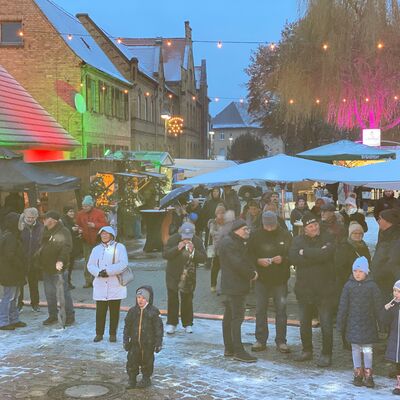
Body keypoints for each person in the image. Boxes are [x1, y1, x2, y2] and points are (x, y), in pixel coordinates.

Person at [289, 212, 336, 367]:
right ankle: (306, 350)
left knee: (326, 323)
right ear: (305, 229)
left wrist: (305, 253)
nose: (315, 228)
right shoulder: (297, 240)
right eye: (311, 226)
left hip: (325, 290)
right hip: (304, 289)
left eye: (316, 224)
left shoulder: (327, 237)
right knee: (304, 323)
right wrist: (316, 256)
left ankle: (326, 354)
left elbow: (326, 255)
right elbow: (294, 258)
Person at [248, 211, 292, 353]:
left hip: (280, 279)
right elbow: (248, 254)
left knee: (281, 310)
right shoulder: (255, 235)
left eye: (272, 225)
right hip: (261, 279)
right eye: (267, 226)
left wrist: (283, 259)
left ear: (276, 223)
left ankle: (281, 341)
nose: (269, 228)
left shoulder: (285, 234)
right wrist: (257, 261)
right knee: (260, 310)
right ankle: (260, 340)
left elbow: (292, 254)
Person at [336, 257, 382, 388]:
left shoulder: (372, 286)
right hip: (353, 323)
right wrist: (340, 323)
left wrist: (382, 322)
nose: (357, 273)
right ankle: (358, 373)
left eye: (360, 271)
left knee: (367, 350)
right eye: (355, 270)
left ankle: (368, 374)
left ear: (366, 272)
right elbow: (343, 306)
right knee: (355, 349)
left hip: (368, 323)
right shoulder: (348, 286)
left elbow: (378, 306)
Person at [219, 219, 258, 363]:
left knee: (229, 317)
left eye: (248, 229)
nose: (247, 232)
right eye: (245, 229)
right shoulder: (230, 243)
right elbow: (238, 263)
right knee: (236, 318)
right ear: (236, 230)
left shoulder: (233, 241)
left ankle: (229, 347)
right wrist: (252, 274)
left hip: (232, 285)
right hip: (235, 286)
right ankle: (238, 350)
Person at [162, 222, 206, 334]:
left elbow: (203, 258)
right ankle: (172, 323)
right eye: (184, 236)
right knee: (172, 298)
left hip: (189, 275)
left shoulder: (197, 240)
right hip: (173, 273)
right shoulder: (173, 239)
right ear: (180, 232)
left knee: (187, 298)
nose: (187, 239)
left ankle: (187, 323)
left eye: (189, 236)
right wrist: (177, 248)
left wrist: (193, 251)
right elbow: (165, 254)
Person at [87, 226, 128, 343]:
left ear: (112, 235)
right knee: (100, 311)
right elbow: (90, 265)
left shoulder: (120, 247)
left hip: (115, 283)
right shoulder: (96, 249)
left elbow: (123, 263)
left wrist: (108, 271)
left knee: (114, 311)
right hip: (100, 283)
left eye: (106, 234)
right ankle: (99, 333)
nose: (104, 236)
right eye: (102, 234)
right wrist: (99, 272)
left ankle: (112, 334)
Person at [37, 210, 75, 326]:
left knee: (63, 293)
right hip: (46, 267)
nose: (44, 220)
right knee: (49, 293)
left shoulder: (64, 231)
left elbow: (66, 247)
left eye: (46, 218)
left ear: (53, 220)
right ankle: (52, 315)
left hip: (59, 268)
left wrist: (61, 261)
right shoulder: (44, 230)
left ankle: (69, 316)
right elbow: (41, 246)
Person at [123, 286, 163, 389]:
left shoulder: (153, 312)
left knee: (147, 362)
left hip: (148, 344)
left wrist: (158, 342)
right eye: (138, 297)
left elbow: (158, 329)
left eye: (143, 298)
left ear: (148, 299)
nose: (140, 300)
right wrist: (126, 340)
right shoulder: (132, 311)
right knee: (132, 361)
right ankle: (132, 379)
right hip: (134, 344)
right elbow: (127, 327)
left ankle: (146, 378)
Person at [0, 212, 26, 330]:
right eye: (19, 221)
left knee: (14, 296)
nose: (22, 224)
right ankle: (3, 321)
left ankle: (14, 319)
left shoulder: (12, 235)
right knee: (9, 297)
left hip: (13, 272)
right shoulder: (9, 236)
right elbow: (10, 255)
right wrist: (21, 264)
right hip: (10, 273)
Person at [76, 195, 108, 288]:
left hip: (97, 240)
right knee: (87, 260)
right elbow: (78, 224)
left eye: (86, 206)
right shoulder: (80, 214)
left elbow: (105, 224)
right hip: (86, 240)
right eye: (83, 206)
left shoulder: (99, 213)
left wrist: (94, 225)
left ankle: (96, 279)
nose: (84, 208)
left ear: (91, 205)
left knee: (98, 261)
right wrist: (79, 229)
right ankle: (88, 280)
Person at [17, 207, 44, 312]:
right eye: (28, 217)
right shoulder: (19, 227)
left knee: (34, 283)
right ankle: (19, 303)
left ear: (36, 217)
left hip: (34, 259)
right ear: (24, 216)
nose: (30, 219)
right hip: (21, 259)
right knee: (19, 284)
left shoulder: (40, 227)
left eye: (32, 217)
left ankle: (35, 304)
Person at [371, 209, 400, 301]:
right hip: (379, 278)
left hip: (388, 281)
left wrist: (380, 273)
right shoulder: (383, 233)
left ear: (388, 220)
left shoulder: (396, 237)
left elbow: (393, 261)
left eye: (380, 218)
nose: (378, 221)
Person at [382, 280, 400, 395]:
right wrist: (386, 309)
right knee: (398, 362)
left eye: (398, 291)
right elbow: (384, 321)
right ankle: (399, 384)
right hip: (395, 337)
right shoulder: (393, 305)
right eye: (394, 291)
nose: (395, 294)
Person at [61, 206, 81, 289]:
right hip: (67, 247)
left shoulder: (71, 221)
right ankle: (65, 283)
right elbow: (64, 230)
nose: (72, 213)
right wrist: (72, 229)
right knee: (67, 266)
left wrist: (78, 232)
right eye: (70, 211)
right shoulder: (63, 220)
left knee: (70, 265)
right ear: (66, 212)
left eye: (73, 211)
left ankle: (68, 282)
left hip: (72, 247)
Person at [207, 205, 227, 292]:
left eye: (223, 212)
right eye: (219, 212)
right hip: (216, 248)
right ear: (216, 213)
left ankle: (224, 286)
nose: (221, 214)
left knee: (226, 268)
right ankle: (213, 285)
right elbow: (212, 232)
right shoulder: (213, 222)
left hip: (226, 248)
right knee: (215, 267)